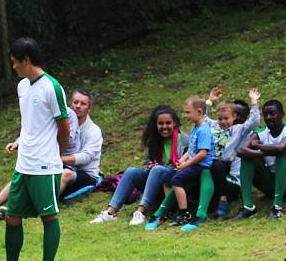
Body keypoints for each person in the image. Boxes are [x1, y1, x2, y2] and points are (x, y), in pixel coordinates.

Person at [3, 37, 71, 261]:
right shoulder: (23, 86)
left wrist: (57, 152)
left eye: (14, 62)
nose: (13, 67)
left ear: (26, 60)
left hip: (45, 165)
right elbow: (30, 122)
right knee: (12, 216)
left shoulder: (52, 87)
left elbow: (63, 125)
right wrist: (19, 141)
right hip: (24, 164)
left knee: (49, 216)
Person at [90, 105, 186, 226]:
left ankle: (141, 211)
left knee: (157, 169)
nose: (164, 127)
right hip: (154, 180)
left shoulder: (184, 139)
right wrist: (149, 166)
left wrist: (161, 167)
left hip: (172, 182)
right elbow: (146, 164)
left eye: (168, 123)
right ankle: (110, 212)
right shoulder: (152, 140)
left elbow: (187, 164)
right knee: (131, 171)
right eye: (160, 123)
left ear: (174, 123)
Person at [0, 106, 80, 220]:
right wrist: (17, 143)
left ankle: (29, 208)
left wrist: (45, 139)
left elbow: (67, 138)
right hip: (42, 157)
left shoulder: (68, 114)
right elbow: (30, 131)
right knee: (23, 173)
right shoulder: (40, 111)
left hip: (61, 160)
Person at [144, 95, 214, 230]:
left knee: (177, 180)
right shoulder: (195, 128)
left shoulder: (204, 130)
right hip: (192, 164)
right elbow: (193, 149)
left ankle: (184, 213)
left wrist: (186, 164)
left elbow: (202, 153)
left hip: (200, 166)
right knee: (167, 177)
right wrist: (182, 159)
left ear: (199, 112)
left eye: (188, 112)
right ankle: (167, 211)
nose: (185, 116)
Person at [232, 100, 286, 221]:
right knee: (246, 158)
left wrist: (258, 147)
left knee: (282, 154)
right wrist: (260, 152)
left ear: (282, 114)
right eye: (266, 114)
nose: (269, 117)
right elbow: (241, 150)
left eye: (273, 113)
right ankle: (248, 207)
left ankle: (277, 207)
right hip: (270, 183)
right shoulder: (261, 132)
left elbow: (281, 147)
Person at [205, 87, 261, 218]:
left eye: (226, 118)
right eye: (220, 119)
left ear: (234, 117)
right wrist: (210, 101)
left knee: (217, 165)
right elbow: (202, 117)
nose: (223, 122)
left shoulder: (238, 130)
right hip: (212, 166)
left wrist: (254, 102)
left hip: (228, 171)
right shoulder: (214, 126)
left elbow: (254, 121)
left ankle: (223, 201)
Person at [59, 89, 103, 199]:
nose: (78, 106)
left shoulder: (94, 131)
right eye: (75, 102)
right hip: (62, 165)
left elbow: (86, 157)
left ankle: (47, 205)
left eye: (83, 104)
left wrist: (59, 159)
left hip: (85, 174)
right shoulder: (63, 124)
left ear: (89, 108)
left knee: (66, 173)